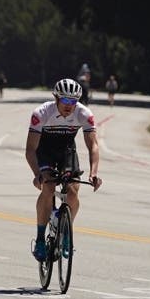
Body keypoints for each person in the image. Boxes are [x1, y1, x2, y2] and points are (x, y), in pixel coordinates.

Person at [26, 78, 102, 262]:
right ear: (56, 98)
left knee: (74, 191)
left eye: (74, 101)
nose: (70, 106)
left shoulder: (84, 113)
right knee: (49, 188)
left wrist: (93, 173)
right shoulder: (41, 113)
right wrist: (37, 174)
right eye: (66, 101)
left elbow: (93, 146)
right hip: (45, 151)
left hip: (67, 150)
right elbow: (30, 149)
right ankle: (40, 239)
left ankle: (67, 233)